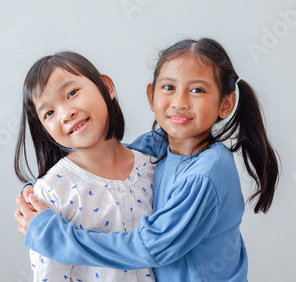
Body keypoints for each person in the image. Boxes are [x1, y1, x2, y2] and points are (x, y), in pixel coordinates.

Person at [15, 38, 279, 281]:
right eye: (168, 87)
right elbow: (106, 160)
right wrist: (37, 192)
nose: (179, 102)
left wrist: (50, 235)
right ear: (152, 95)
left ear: (226, 103)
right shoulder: (159, 147)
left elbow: (150, 247)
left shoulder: (205, 173)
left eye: (197, 90)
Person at [13, 51, 156, 281]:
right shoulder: (52, 192)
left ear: (106, 87)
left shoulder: (152, 166)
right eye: (49, 112)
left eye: (72, 93)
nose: (66, 113)